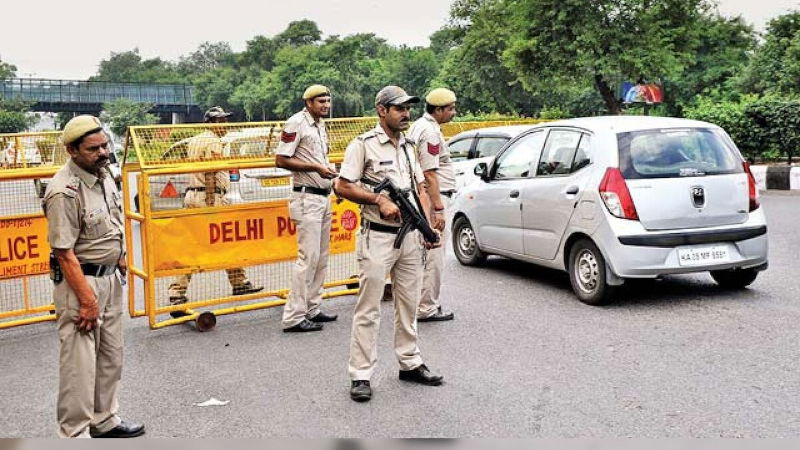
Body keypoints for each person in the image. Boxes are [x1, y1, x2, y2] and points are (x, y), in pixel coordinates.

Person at [334, 85, 444, 403]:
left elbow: (420, 187)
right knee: (368, 308)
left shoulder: (409, 145)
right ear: (382, 110)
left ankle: (409, 362)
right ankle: (361, 374)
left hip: (409, 236)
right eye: (399, 109)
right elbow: (342, 186)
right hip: (378, 235)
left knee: (408, 303)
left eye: (408, 108)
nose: (406, 114)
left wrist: (426, 225)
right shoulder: (363, 145)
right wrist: (377, 199)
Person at [43, 115, 144, 438]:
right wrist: (86, 300)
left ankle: (105, 420)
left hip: (110, 277)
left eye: (105, 145)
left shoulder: (104, 176)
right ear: (72, 151)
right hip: (81, 284)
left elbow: (113, 221)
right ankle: (74, 433)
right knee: (80, 364)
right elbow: (64, 252)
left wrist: (122, 258)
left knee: (111, 355)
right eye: (93, 149)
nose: (103, 153)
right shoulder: (64, 192)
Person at [167, 107, 263, 310]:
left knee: (204, 243)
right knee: (220, 241)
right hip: (207, 197)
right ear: (211, 123)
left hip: (194, 194)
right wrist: (211, 203)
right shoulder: (212, 141)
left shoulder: (196, 139)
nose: (225, 124)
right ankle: (179, 291)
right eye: (220, 120)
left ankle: (236, 283)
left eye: (226, 120)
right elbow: (211, 171)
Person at [276, 85, 339, 332]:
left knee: (321, 258)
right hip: (307, 198)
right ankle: (293, 317)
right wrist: (315, 169)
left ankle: (312, 307)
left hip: (323, 196)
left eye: (328, 100)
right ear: (308, 103)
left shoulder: (320, 125)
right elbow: (281, 159)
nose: (326, 105)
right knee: (307, 258)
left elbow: (322, 158)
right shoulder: (295, 123)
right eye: (320, 101)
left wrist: (332, 182)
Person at [408, 88, 458, 322]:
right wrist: (438, 208)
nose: (454, 113)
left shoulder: (420, 126)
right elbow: (430, 174)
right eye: (450, 109)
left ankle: (419, 303)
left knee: (423, 253)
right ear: (437, 110)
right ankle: (426, 306)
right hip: (433, 198)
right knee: (434, 253)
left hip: (424, 198)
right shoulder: (429, 133)